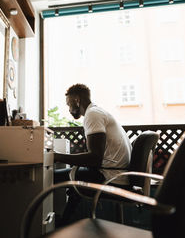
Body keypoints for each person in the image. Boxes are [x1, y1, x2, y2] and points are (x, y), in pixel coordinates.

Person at [54, 83, 132, 225]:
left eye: (68, 104)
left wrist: (57, 156)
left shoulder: (92, 115)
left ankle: (58, 224)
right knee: (74, 178)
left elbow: (94, 158)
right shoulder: (97, 112)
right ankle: (64, 222)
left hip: (111, 177)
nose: (69, 109)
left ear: (77, 100)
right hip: (117, 174)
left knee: (53, 177)